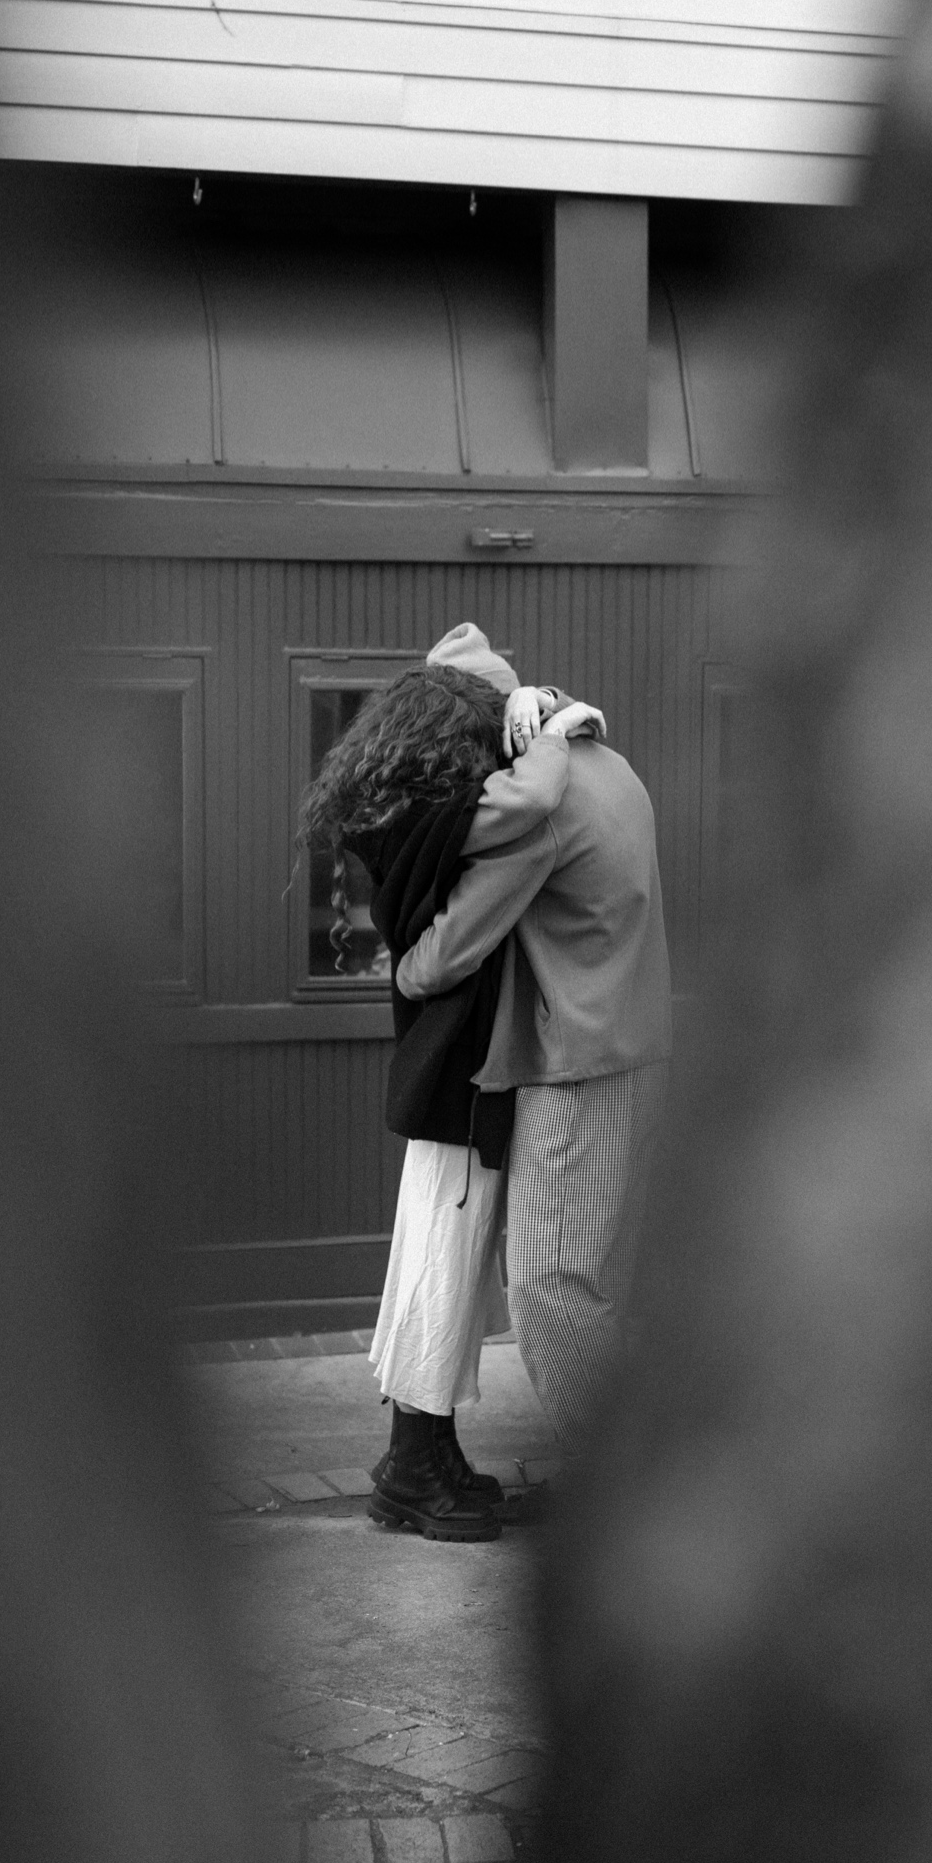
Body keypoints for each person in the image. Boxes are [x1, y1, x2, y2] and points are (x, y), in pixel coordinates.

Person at [299, 648, 602, 1540]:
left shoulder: (406, 813)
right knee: (442, 1257)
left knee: (437, 1253)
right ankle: (415, 1464)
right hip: (465, 1067)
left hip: (449, 1064)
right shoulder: (455, 814)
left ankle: (420, 1457)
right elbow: (526, 816)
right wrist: (552, 721)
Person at [396, 643, 673, 1460]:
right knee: (602, 1285)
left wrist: (403, 971)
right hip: (637, 1049)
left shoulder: (533, 810)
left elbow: (448, 951)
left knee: (551, 1287)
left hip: (578, 1067)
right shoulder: (606, 762)